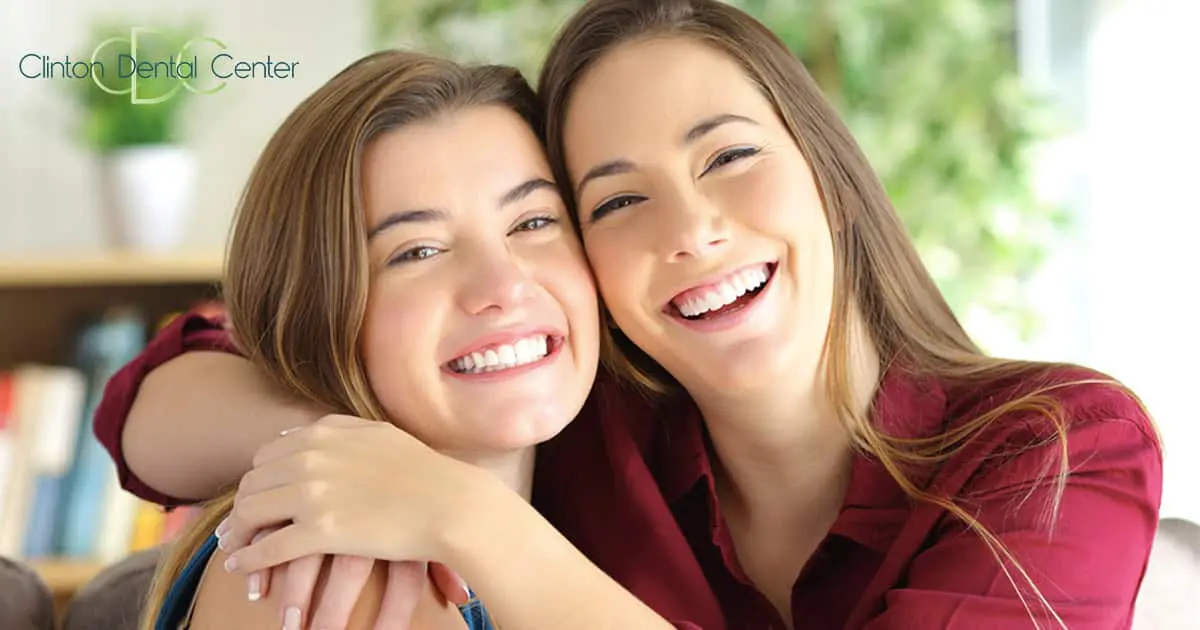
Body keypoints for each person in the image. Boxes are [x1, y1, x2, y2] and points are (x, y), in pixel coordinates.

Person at [100, 1, 1162, 629]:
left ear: (831, 174)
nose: (691, 230)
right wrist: (361, 446)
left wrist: (463, 513)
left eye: (729, 155)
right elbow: (151, 396)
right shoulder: (564, 422)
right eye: (613, 201)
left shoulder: (1055, 445)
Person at [132, 48, 685, 630]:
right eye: (418, 251)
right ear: (319, 312)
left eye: (532, 222)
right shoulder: (343, 578)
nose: (503, 286)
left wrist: (473, 517)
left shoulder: (598, 476)